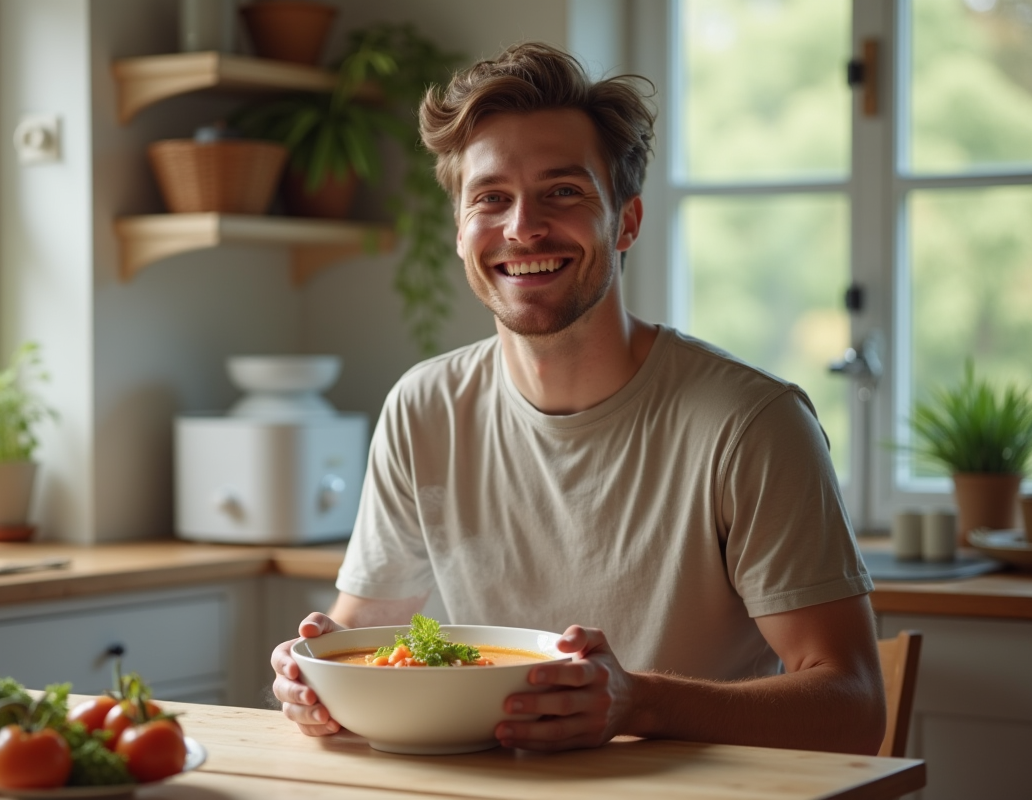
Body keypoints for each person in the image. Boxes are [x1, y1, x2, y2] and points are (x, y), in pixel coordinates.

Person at [270, 41, 885, 755]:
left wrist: (638, 702)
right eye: (490, 198)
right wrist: (313, 677)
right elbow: (357, 633)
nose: (522, 228)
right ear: (461, 230)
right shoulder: (424, 407)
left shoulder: (750, 423)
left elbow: (854, 704)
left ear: (625, 222)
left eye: (563, 192)